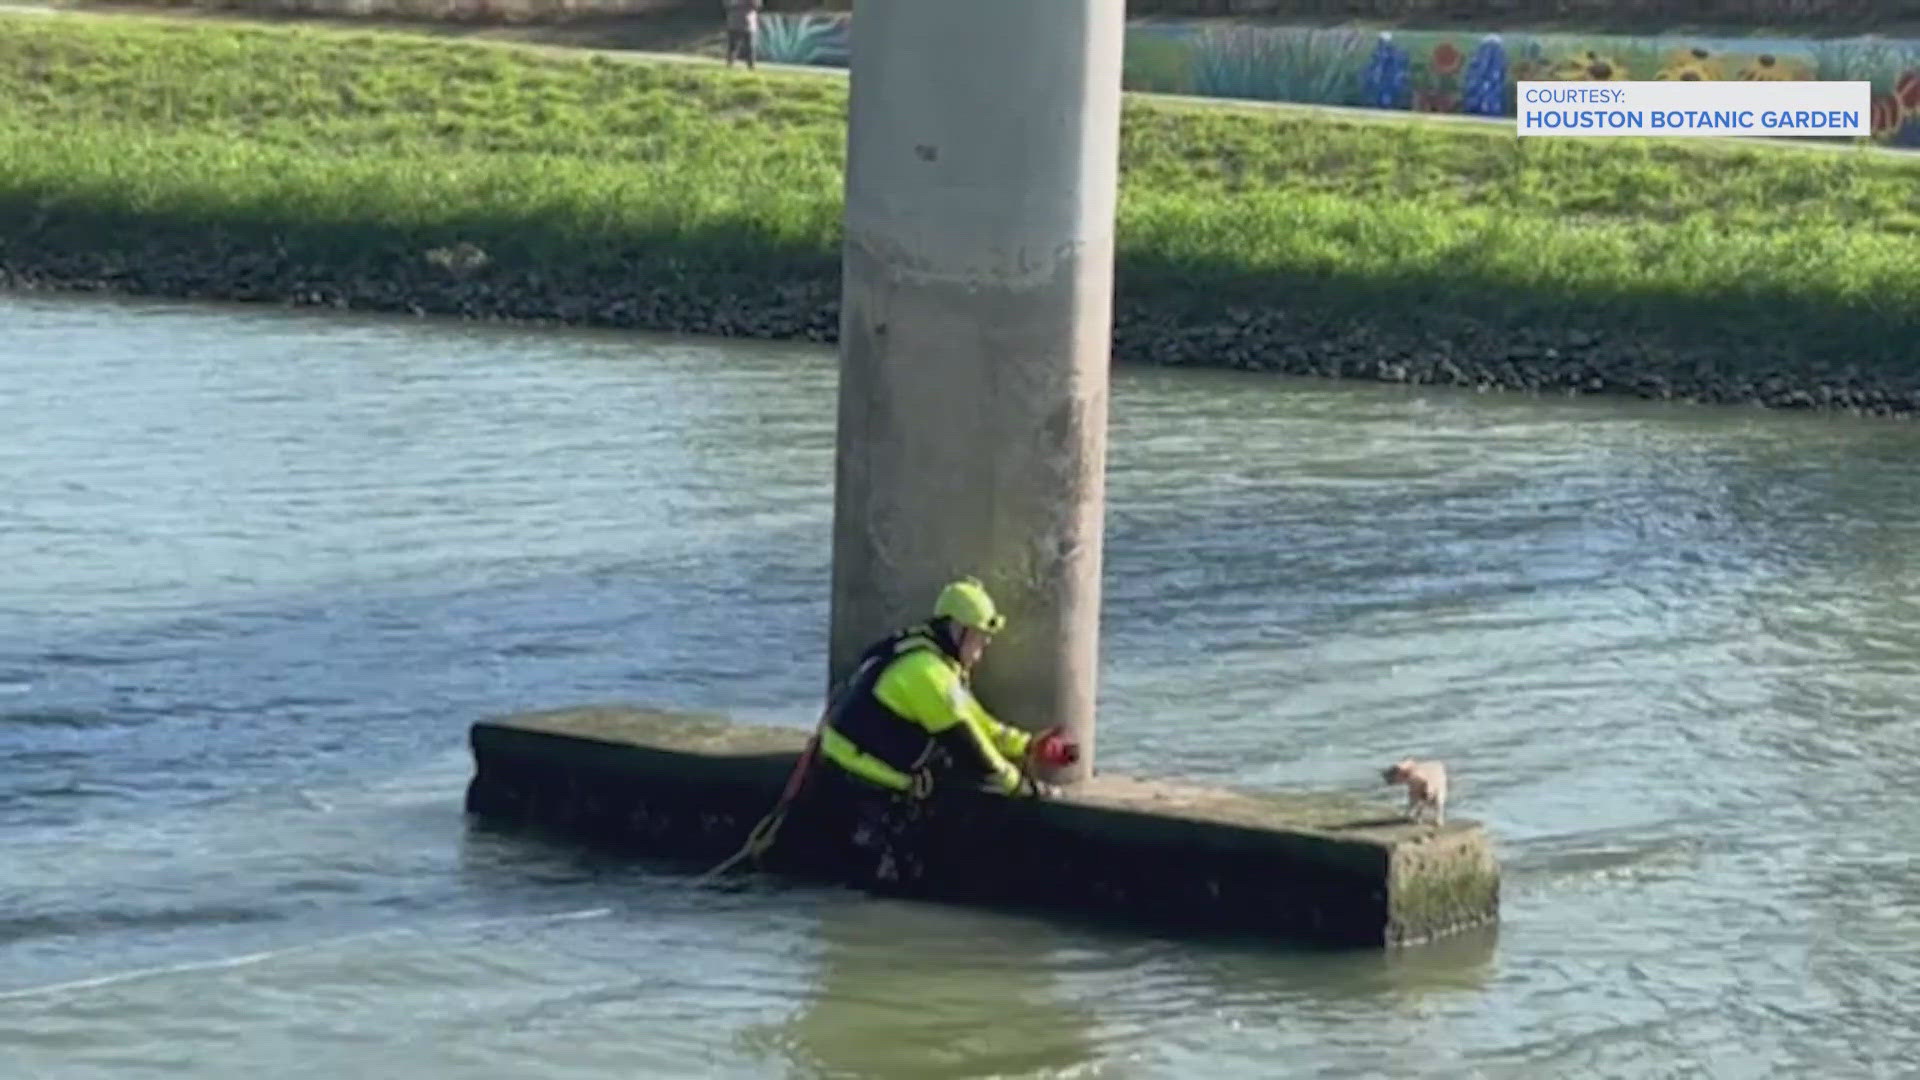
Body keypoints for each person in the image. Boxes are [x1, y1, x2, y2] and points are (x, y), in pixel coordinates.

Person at [802, 576, 1080, 892]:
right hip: (860, 793)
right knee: (881, 889)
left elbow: (978, 722)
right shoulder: (927, 676)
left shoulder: (927, 659)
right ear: (959, 631)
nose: (983, 648)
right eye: (980, 638)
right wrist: (1023, 787)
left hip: (852, 778)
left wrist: (1027, 745)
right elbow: (972, 750)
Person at [722, 0, 761, 70]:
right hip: (734, 23)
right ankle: (729, 65)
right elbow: (726, 5)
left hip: (749, 25)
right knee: (733, 47)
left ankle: (751, 66)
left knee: (750, 47)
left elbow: (757, 5)